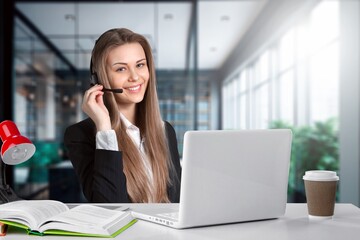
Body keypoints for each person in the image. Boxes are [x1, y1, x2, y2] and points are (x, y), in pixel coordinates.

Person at [64, 28, 181, 203]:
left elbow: (177, 201)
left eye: (140, 65)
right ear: (99, 79)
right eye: (121, 69)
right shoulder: (80, 135)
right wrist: (104, 129)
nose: (135, 77)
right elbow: (109, 205)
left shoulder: (165, 130)